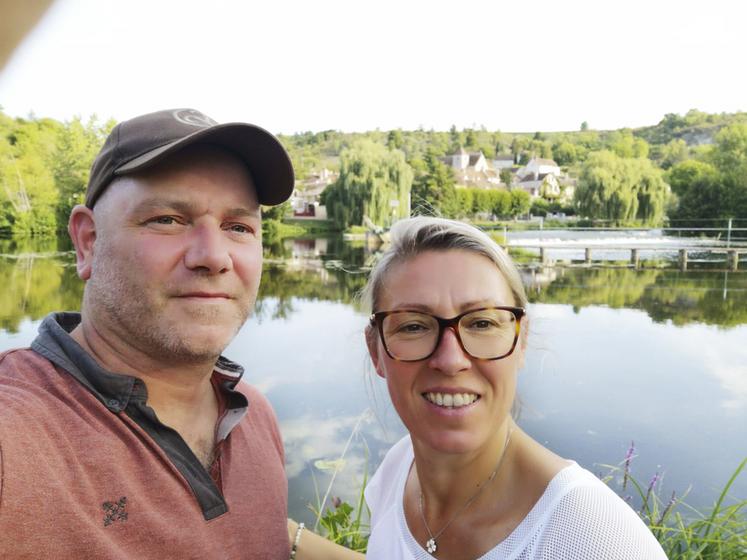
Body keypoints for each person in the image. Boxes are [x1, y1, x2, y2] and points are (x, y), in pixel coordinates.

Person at [0, 108, 296, 559]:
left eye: (238, 227)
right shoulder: (17, 438)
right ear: (88, 242)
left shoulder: (255, 415)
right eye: (167, 219)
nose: (213, 257)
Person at [361, 217, 668, 559]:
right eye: (414, 326)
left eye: (481, 322)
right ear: (375, 350)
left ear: (521, 342)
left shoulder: (599, 541)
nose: (450, 360)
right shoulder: (397, 472)